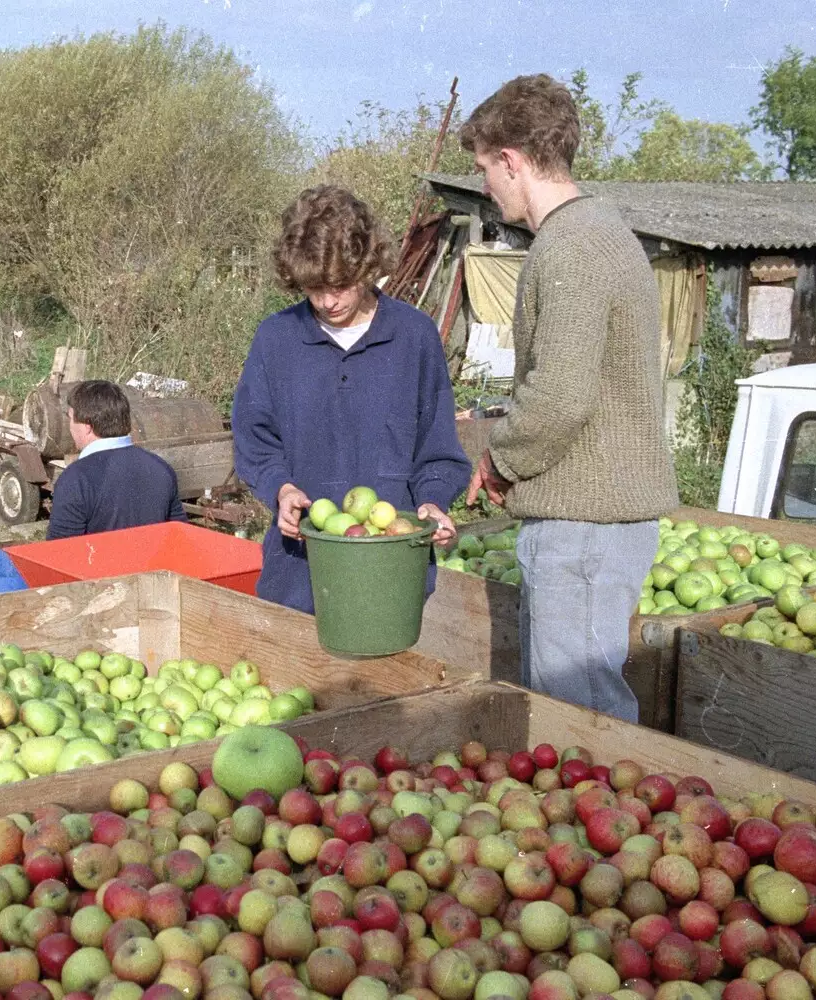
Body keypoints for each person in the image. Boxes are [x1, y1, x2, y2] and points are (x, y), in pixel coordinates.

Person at [459, 74, 678, 722]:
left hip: (585, 524)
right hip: (598, 519)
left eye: (484, 168)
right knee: (582, 711)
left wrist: (500, 460)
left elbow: (558, 396)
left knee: (576, 719)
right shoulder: (599, 233)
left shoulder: (572, 247)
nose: (485, 185)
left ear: (512, 160)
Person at [233, 184, 470, 614]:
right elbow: (255, 439)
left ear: (366, 265)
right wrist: (281, 489)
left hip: (392, 572)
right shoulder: (276, 339)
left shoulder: (414, 337)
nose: (327, 301)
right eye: (312, 287)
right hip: (299, 574)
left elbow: (438, 450)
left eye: (339, 284)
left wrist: (432, 503)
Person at [46, 380, 188, 540]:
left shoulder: (75, 480)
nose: (70, 426)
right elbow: (179, 537)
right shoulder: (161, 468)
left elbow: (59, 553)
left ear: (87, 426)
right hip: (153, 564)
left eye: (71, 418)